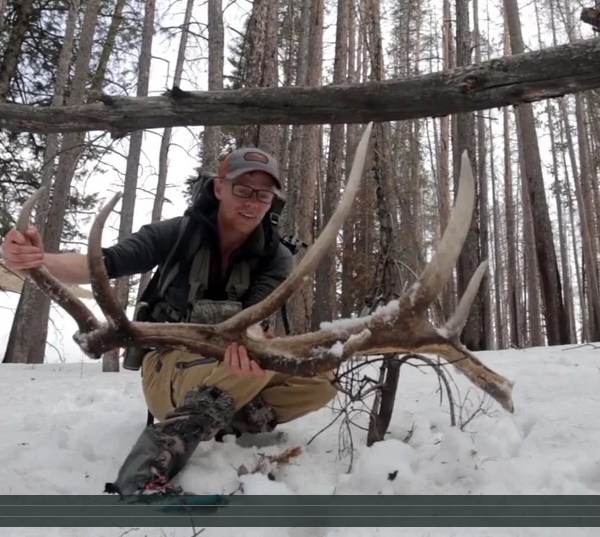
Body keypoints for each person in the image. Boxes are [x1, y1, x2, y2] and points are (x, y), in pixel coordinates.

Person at [0, 147, 337, 495]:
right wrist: (38, 260)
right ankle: (148, 468)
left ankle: (218, 419)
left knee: (322, 378)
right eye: (242, 190)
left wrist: (253, 345)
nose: (252, 203)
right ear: (219, 188)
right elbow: (104, 262)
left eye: (263, 196)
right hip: (169, 364)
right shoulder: (177, 233)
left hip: (234, 363)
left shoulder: (276, 256)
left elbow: (257, 312)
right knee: (253, 365)